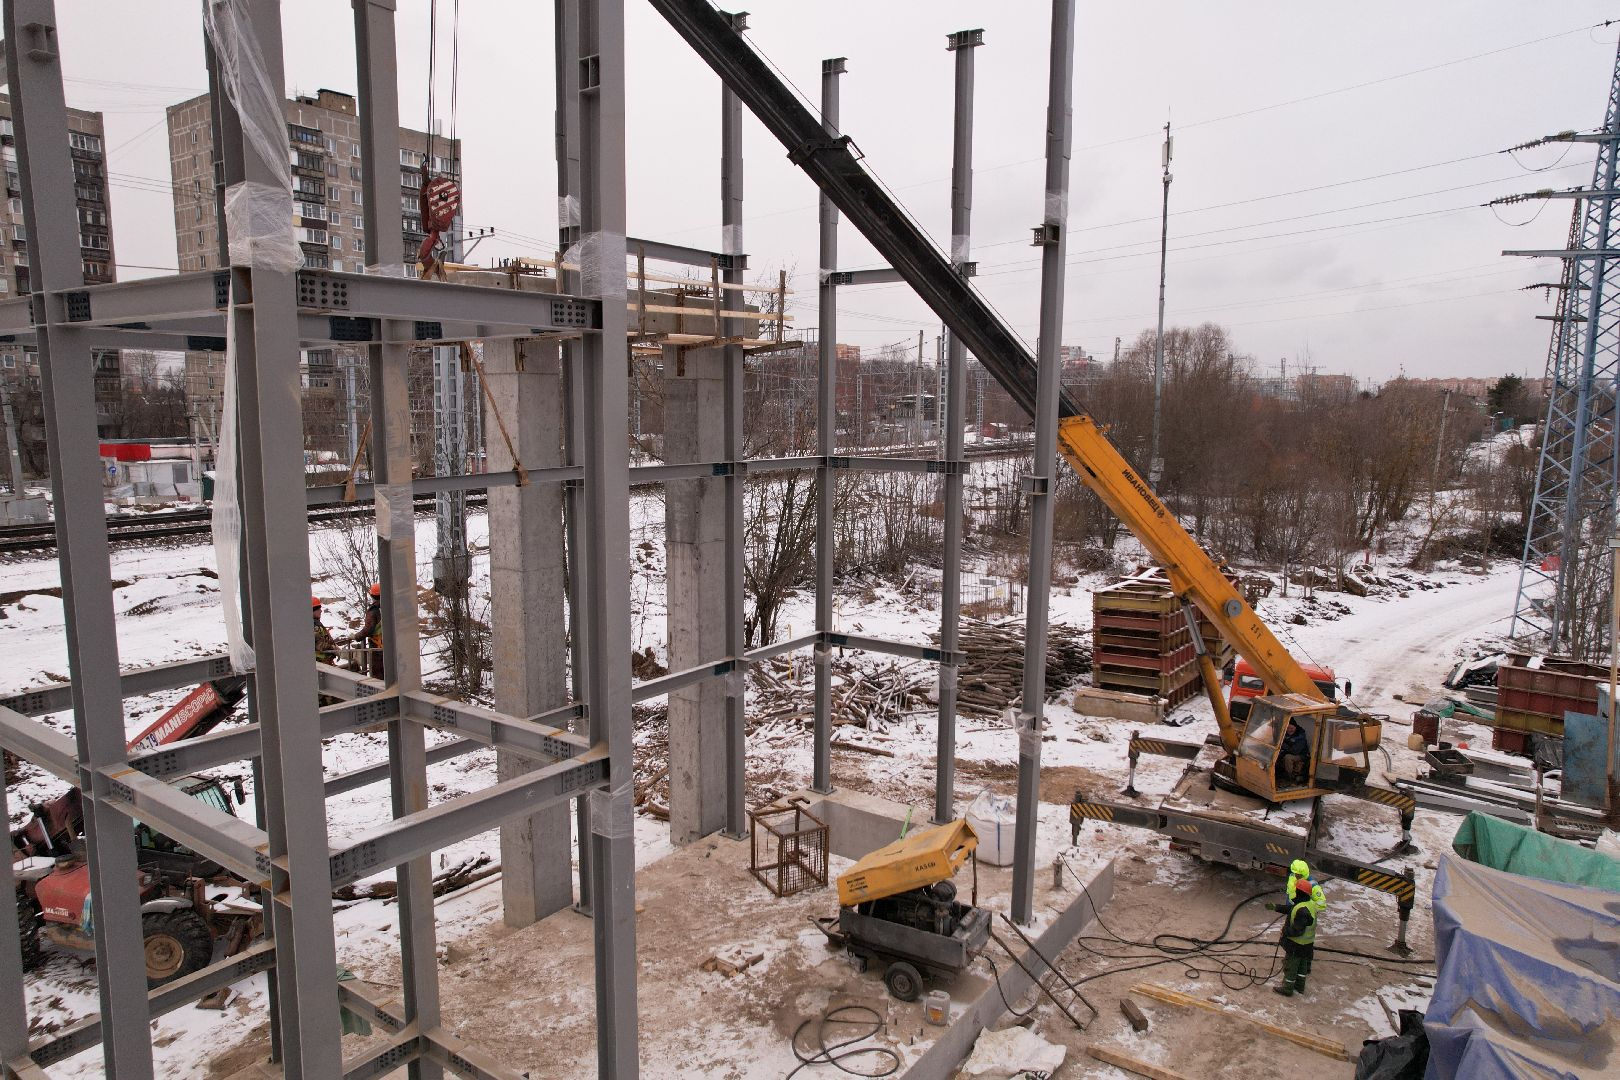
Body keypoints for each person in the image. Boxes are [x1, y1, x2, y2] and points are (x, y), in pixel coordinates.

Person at [1269, 876, 1324, 996]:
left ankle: (1287, 988)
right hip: (1307, 944)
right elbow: (1292, 909)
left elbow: (1298, 930)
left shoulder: (1302, 910)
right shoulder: (1309, 904)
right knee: (1302, 966)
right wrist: (1276, 907)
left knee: (1291, 966)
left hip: (1296, 944)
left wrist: (1285, 931)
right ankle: (1300, 987)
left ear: (1299, 891)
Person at [350, 582, 383, 678]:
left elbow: (368, 629)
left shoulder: (374, 611)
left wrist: (356, 636)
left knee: (378, 674)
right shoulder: (388, 607)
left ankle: (381, 691)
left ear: (372, 595)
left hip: (377, 648)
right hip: (389, 645)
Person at [1278, 718, 1310, 785]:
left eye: (1292, 728)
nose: (1290, 730)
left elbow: (1295, 751)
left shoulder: (1300, 736)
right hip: (1291, 752)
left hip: (1301, 755)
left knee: (1288, 757)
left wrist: (1283, 745)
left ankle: (1289, 777)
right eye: (1288, 728)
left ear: (1295, 727)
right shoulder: (1284, 734)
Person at [312, 595, 336, 664]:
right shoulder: (313, 626)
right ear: (312, 611)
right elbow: (319, 645)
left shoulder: (316, 624)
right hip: (321, 662)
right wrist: (333, 648)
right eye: (318, 609)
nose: (321, 611)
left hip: (325, 661)